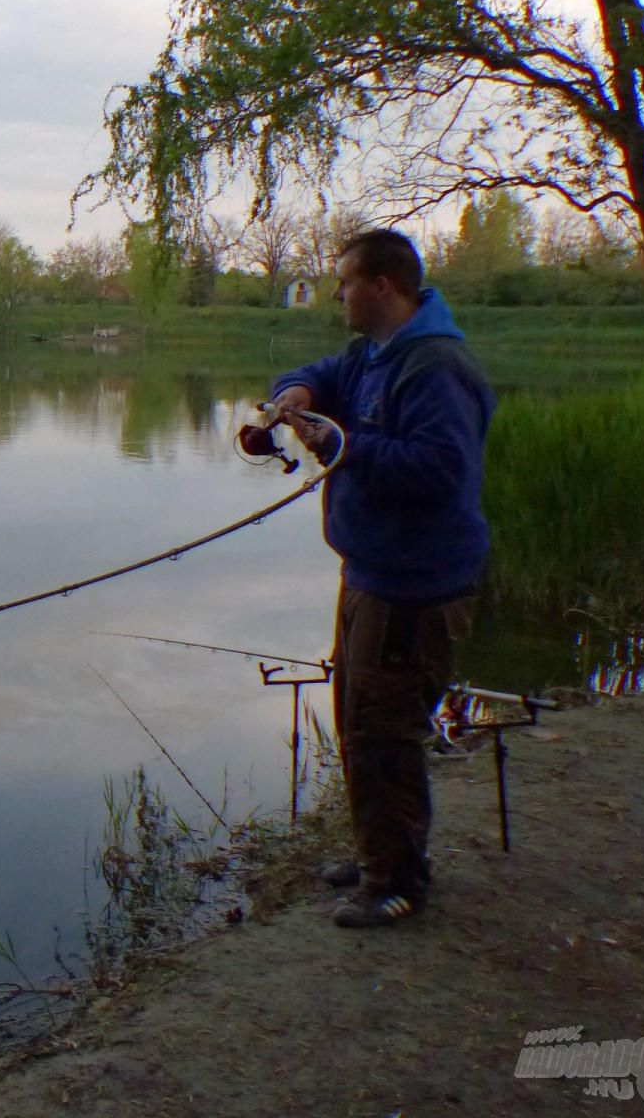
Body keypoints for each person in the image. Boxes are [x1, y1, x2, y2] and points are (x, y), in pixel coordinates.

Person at [268, 228, 494, 929]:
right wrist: (293, 396)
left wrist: (341, 445)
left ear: (382, 288)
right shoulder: (375, 352)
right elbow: (324, 373)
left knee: (385, 732)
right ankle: (376, 852)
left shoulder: (434, 368)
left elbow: (438, 471)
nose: (337, 293)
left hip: (413, 588)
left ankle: (397, 883)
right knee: (358, 720)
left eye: (345, 282)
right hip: (371, 572)